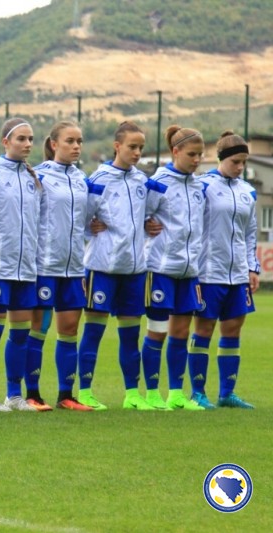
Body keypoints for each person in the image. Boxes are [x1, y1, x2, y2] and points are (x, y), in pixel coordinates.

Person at [79, 121, 153, 410]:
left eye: (141, 148)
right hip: (102, 269)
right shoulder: (99, 178)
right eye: (132, 146)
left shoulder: (143, 181)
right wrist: (90, 228)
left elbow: (150, 215)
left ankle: (132, 395)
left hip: (134, 271)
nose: (137, 152)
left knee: (131, 336)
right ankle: (85, 392)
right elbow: (83, 217)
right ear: (117, 146)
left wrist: (151, 224)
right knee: (93, 332)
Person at [189, 131, 258, 409]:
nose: (240, 167)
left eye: (243, 162)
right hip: (209, 273)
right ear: (221, 158)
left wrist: (253, 268)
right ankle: (198, 393)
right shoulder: (203, 186)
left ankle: (227, 393)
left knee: (232, 329)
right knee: (204, 329)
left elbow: (250, 233)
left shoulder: (247, 192)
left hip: (238, 274)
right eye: (235, 161)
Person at [0, 117, 42, 412]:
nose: (27, 144)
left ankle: (14, 394)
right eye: (21, 139)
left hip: (25, 269)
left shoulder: (33, 178)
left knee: (20, 334)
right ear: (6, 142)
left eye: (30, 139)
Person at [27, 120, 91, 411]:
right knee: (38, 329)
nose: (76, 146)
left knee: (69, 329)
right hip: (45, 267)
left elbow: (88, 219)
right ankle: (32, 393)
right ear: (54, 144)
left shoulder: (82, 179)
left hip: (74, 267)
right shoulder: (38, 175)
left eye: (79, 141)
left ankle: (66, 395)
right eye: (70, 141)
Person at [141, 125, 206, 411]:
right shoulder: (158, 183)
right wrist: (145, 224)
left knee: (180, 333)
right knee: (157, 332)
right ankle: (152, 393)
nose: (197, 160)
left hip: (189, 272)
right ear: (175, 151)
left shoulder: (199, 186)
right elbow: (138, 216)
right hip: (160, 269)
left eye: (200, 155)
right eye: (191, 154)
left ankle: (176, 394)